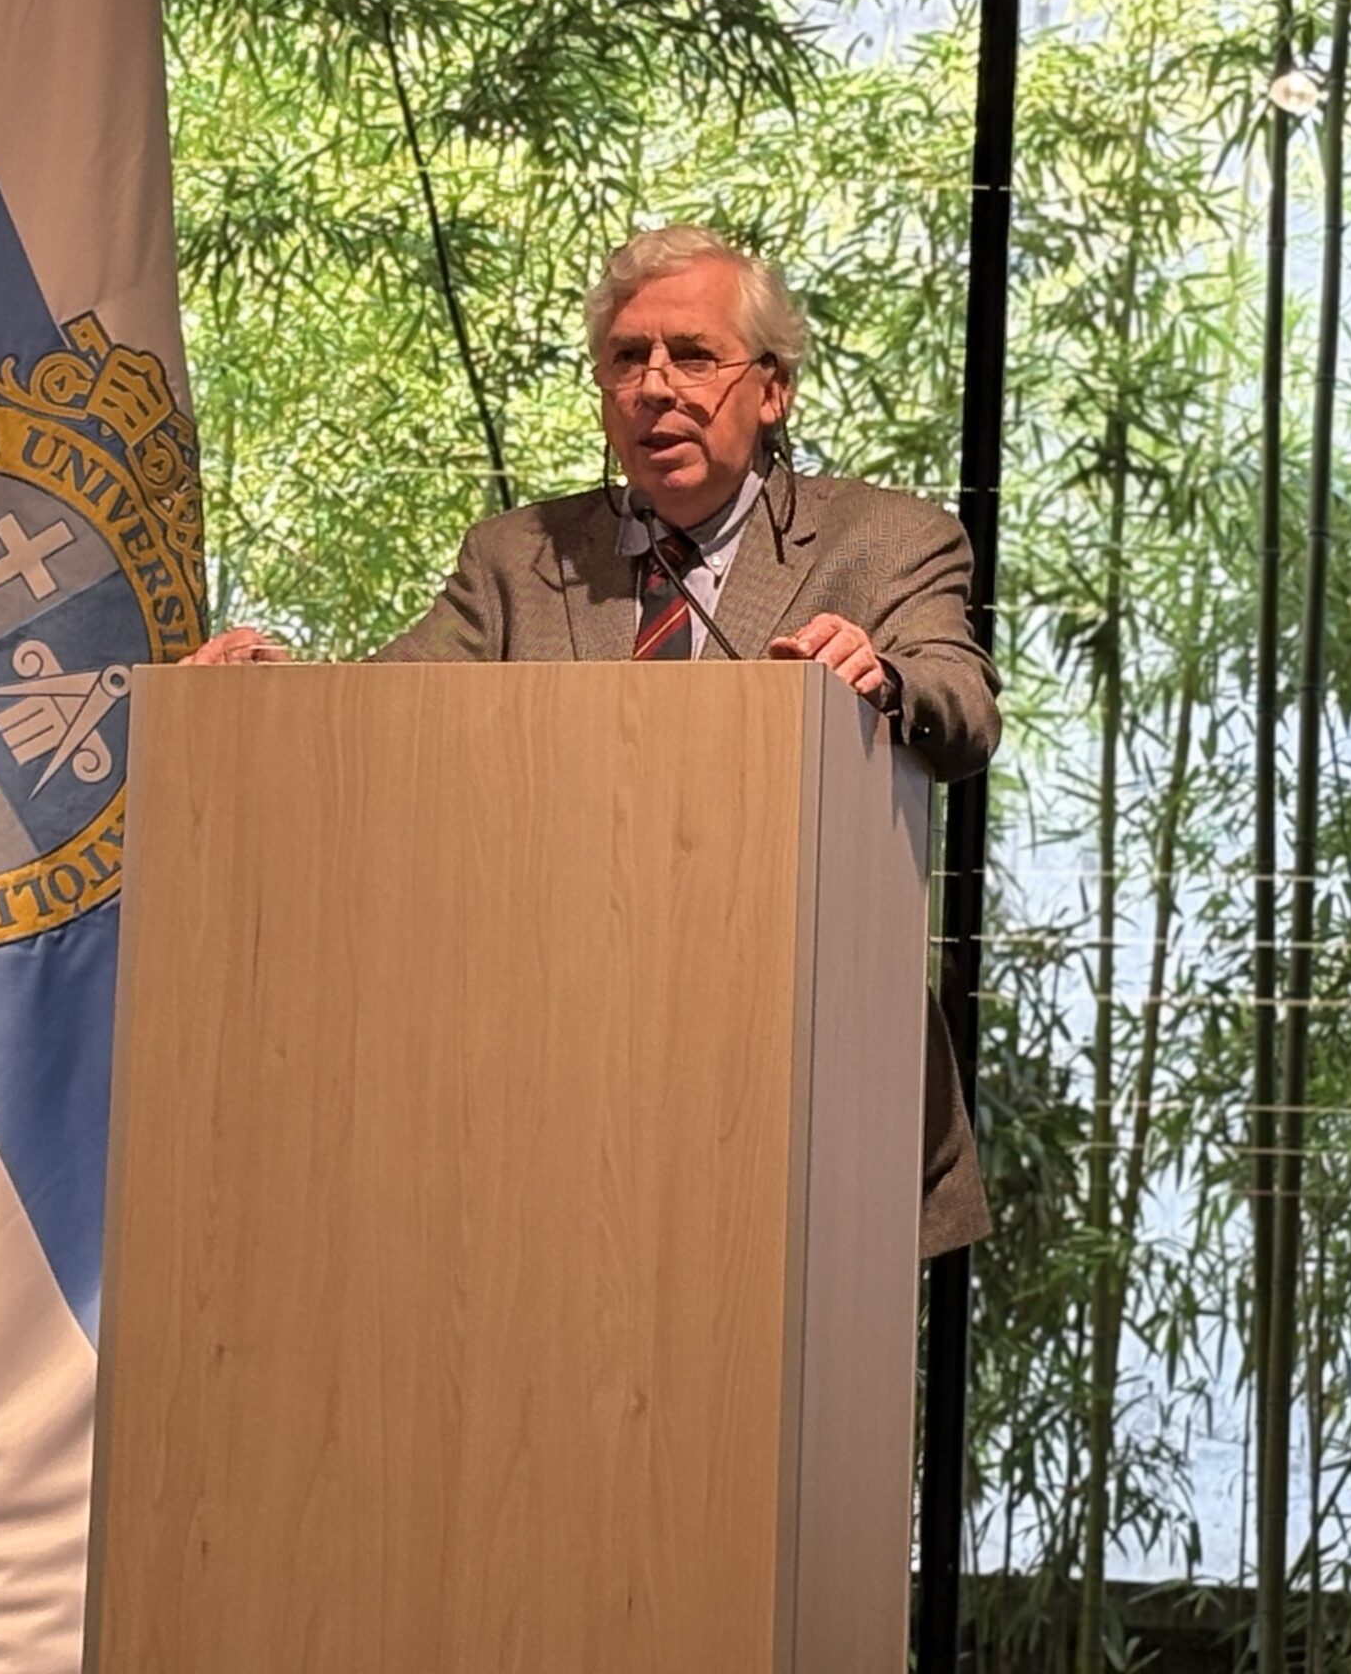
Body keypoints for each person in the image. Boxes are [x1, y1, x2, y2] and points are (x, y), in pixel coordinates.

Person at [191, 224, 1000, 1252]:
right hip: (553, 1079)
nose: (654, 386)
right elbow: (386, 715)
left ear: (773, 389)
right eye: (627, 358)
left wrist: (878, 676)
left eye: (693, 355)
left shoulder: (885, 540)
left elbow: (963, 703)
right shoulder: (519, 559)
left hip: (803, 1069)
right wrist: (271, 697)